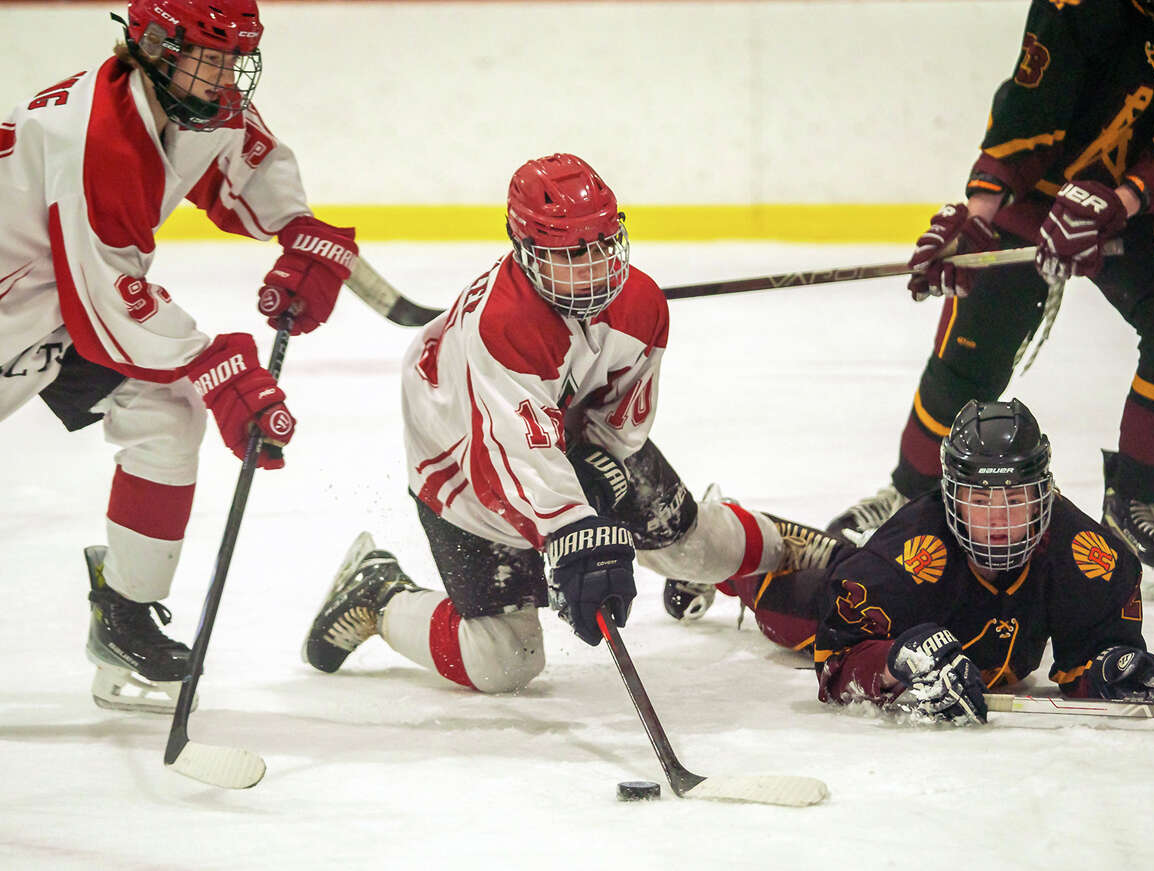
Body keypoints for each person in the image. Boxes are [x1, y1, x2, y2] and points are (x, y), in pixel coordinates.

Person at [301, 153, 841, 693]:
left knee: (693, 546)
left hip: (553, 431)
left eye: (603, 243)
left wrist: (597, 471)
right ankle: (378, 593)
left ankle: (782, 553)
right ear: (526, 253)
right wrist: (576, 531)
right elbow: (514, 459)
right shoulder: (503, 326)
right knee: (504, 661)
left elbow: (621, 424)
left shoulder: (642, 303)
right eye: (571, 254)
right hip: (460, 448)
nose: (593, 267)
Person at [0, 0, 357, 712]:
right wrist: (218, 364)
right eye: (211, 57)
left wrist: (302, 228)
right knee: (177, 385)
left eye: (234, 60)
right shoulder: (93, 138)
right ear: (157, 46)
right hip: (33, 303)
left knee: (165, 416)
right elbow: (109, 302)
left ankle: (124, 614)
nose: (227, 78)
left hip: (51, 304)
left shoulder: (189, 99)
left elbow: (244, 156)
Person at [827, 0, 1154, 603]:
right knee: (974, 349)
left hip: (1137, 202)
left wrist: (1124, 201)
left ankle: (1134, 505)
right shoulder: (1071, 7)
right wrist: (978, 217)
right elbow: (1025, 113)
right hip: (1040, 194)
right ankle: (910, 492)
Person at [683, 399, 1154, 724]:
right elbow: (837, 663)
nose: (999, 521)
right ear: (951, 498)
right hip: (889, 600)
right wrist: (896, 663)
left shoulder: (1090, 554)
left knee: (850, 563)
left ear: (1047, 494)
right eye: (981, 502)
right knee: (800, 600)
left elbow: (1094, 651)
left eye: (1015, 500)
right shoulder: (909, 551)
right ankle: (729, 561)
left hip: (899, 584)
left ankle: (832, 548)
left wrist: (1112, 668)